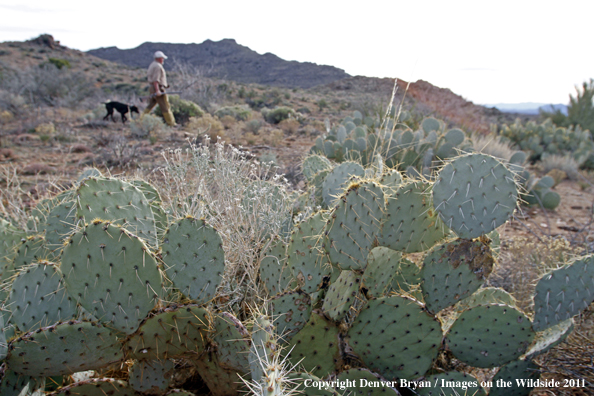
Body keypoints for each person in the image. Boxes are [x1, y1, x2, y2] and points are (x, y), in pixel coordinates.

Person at [142, 51, 177, 126]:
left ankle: (140, 119)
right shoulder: (158, 66)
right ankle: (171, 123)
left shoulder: (152, 65)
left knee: (151, 105)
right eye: (162, 58)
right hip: (157, 88)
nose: (163, 60)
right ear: (160, 59)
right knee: (165, 106)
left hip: (153, 88)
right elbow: (156, 80)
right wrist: (158, 90)